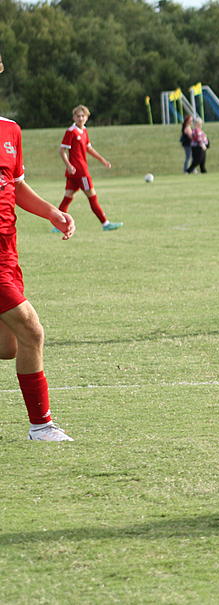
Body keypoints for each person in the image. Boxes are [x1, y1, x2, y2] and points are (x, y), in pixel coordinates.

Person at [0, 50, 76, 441]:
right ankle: (41, 425)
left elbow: (14, 186)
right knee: (32, 331)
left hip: (9, 252)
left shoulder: (10, 130)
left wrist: (51, 212)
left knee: (9, 347)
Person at [58, 105, 123, 231]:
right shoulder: (71, 131)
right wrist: (69, 165)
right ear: (74, 117)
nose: (80, 118)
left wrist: (102, 160)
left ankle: (57, 224)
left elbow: (88, 148)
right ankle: (105, 223)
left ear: (87, 117)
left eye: (83, 116)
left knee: (68, 196)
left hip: (75, 173)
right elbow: (61, 151)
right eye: (78, 116)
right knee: (92, 196)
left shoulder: (84, 131)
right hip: (80, 172)